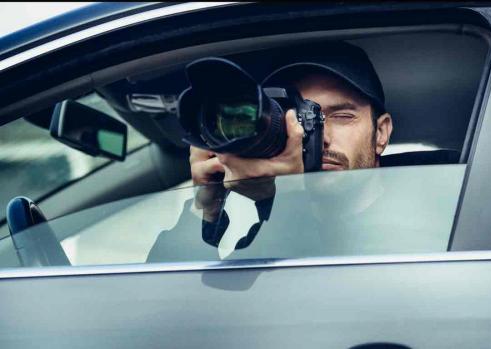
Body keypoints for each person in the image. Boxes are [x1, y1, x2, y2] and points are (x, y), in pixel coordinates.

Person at [147, 42, 396, 262]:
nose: (322, 138)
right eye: (302, 118)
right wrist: (206, 206)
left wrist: (285, 197)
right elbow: (166, 302)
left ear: (381, 133)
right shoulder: (271, 235)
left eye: (342, 116)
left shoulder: (424, 218)